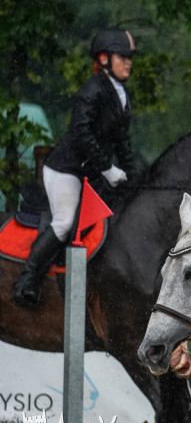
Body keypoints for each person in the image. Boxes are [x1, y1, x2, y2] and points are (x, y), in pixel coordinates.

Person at [12, 28, 136, 309]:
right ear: (104, 58)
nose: (128, 62)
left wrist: (133, 175)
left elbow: (122, 139)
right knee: (65, 222)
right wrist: (108, 168)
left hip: (90, 172)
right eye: (123, 57)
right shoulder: (91, 90)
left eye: (130, 58)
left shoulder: (121, 93)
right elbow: (81, 134)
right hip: (65, 169)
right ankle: (27, 280)